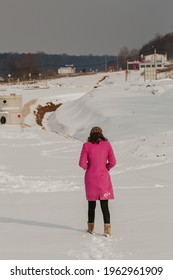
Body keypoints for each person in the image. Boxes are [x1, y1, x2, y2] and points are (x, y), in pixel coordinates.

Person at [79, 126, 116, 237]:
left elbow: (81, 163)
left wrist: (88, 166)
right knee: (105, 205)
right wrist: (106, 167)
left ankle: (91, 228)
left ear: (91, 134)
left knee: (91, 204)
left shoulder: (86, 145)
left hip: (90, 177)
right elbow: (113, 162)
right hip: (103, 177)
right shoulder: (107, 145)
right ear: (101, 134)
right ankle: (107, 230)